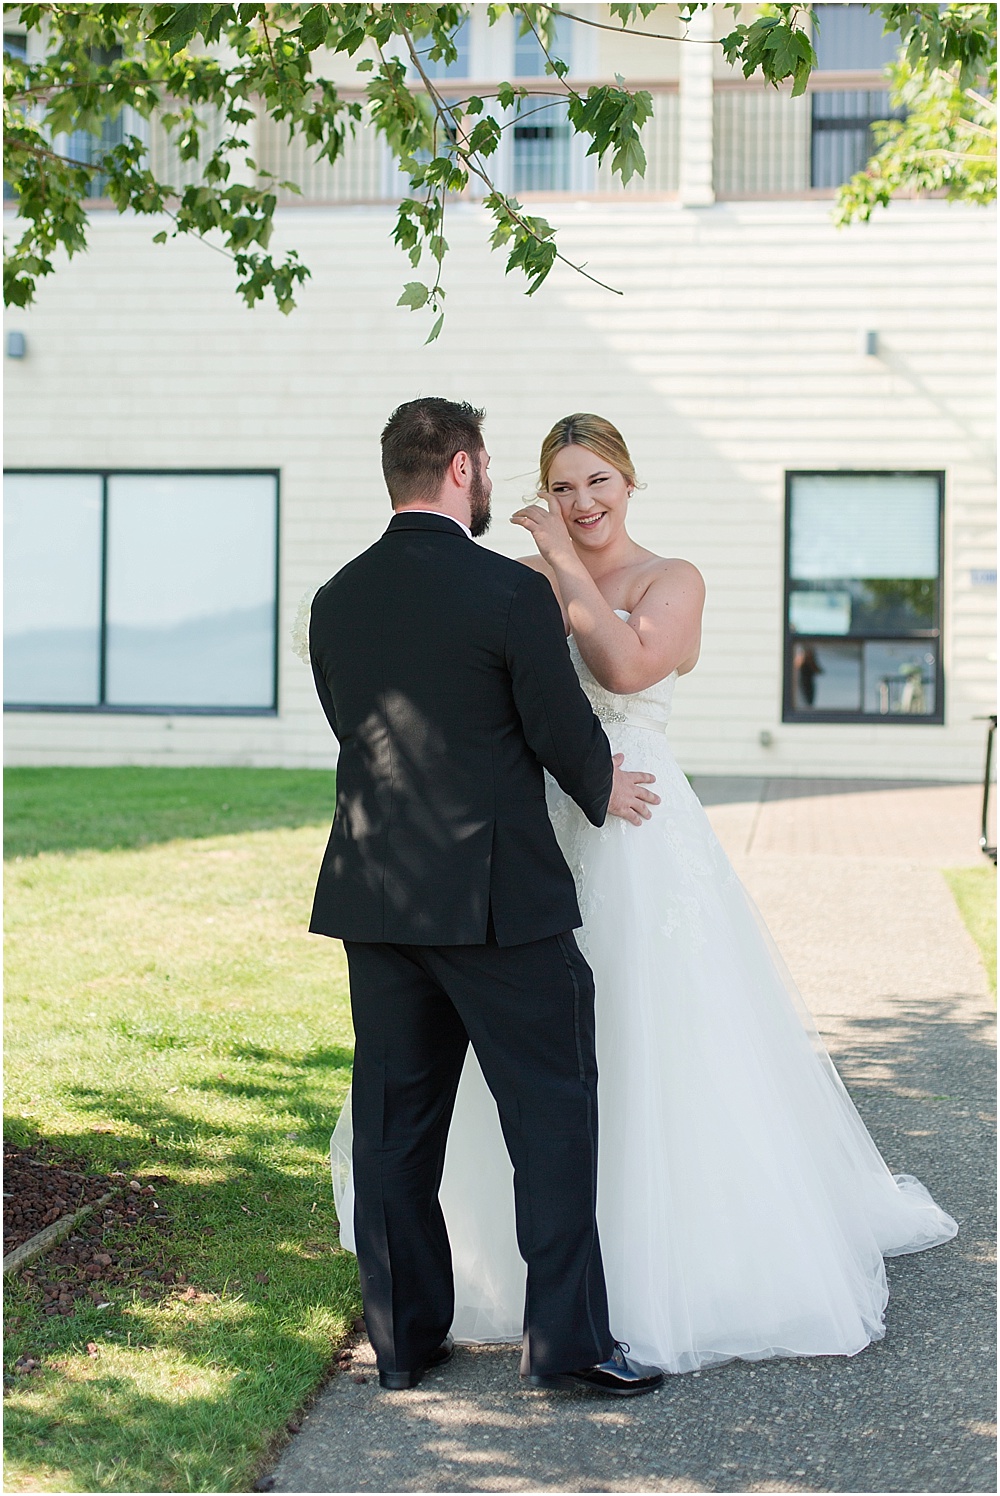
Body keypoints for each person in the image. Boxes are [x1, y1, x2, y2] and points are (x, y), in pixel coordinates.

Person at [332, 411, 958, 1374]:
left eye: (598, 483)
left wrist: (558, 568)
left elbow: (621, 668)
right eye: (560, 484)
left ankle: (440, 1332)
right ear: (475, 471)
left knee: (593, 1060)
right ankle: (551, 1335)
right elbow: (513, 710)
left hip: (605, 830)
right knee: (543, 1093)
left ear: (630, 482)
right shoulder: (506, 587)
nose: (579, 502)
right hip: (535, 833)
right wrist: (578, 774)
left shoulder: (662, 580)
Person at [309, 397, 665, 1396]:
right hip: (500, 901)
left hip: (376, 898)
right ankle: (568, 1345)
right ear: (462, 468)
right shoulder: (507, 593)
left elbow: (354, 728)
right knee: (550, 1116)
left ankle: (404, 1341)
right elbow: (556, 724)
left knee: (392, 1126)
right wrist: (603, 786)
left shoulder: (335, 597)